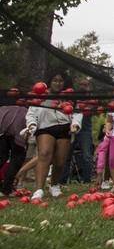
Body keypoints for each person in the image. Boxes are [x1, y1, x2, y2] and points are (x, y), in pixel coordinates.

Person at [22, 70, 79, 201]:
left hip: (64, 128)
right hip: (45, 128)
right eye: (55, 80)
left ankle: (54, 185)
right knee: (44, 154)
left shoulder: (69, 96)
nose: (57, 83)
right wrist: (31, 124)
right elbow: (31, 113)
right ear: (49, 82)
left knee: (59, 161)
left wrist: (75, 124)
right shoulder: (40, 95)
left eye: (60, 81)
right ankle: (39, 189)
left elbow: (77, 113)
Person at [0, 103, 30, 196]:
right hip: (19, 123)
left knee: (1, 157)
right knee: (17, 159)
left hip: (2, 121)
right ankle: (6, 189)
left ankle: (6, 188)